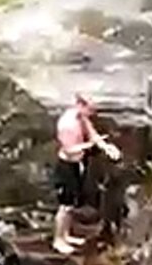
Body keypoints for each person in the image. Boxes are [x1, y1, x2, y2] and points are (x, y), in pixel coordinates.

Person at [52, 94, 121, 254]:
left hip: (78, 164)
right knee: (65, 206)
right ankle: (58, 239)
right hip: (67, 165)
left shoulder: (81, 117)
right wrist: (88, 146)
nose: (92, 113)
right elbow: (69, 150)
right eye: (90, 109)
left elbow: (93, 134)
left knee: (73, 203)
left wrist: (107, 147)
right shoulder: (67, 124)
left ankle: (66, 234)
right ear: (80, 105)